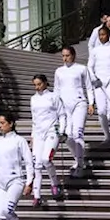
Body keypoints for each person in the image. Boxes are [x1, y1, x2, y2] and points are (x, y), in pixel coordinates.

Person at [53, 46, 94, 177]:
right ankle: (78, 159)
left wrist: (91, 103)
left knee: (77, 133)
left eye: (67, 55)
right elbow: (56, 89)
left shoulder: (81, 68)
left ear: (73, 55)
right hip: (65, 106)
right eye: (63, 56)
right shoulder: (59, 71)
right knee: (67, 136)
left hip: (79, 103)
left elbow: (88, 86)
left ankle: (80, 166)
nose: (65, 58)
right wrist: (54, 106)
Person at [28, 74, 65, 205]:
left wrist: (61, 131)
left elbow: (62, 115)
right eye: (35, 85)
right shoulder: (33, 99)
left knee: (46, 159)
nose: (37, 87)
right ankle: (37, 196)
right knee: (37, 164)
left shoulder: (54, 96)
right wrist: (32, 135)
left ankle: (55, 184)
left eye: (39, 84)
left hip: (51, 131)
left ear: (45, 83)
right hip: (38, 134)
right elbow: (34, 119)